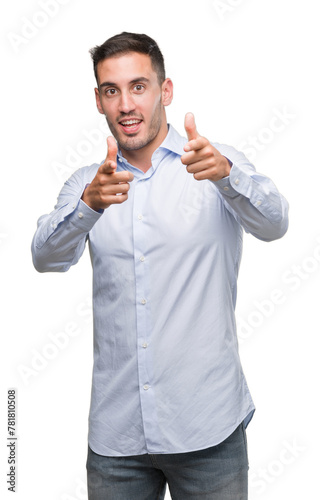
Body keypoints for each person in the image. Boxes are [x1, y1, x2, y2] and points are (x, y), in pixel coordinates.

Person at [31, 32, 289, 500]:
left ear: (165, 92)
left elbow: (275, 225)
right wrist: (88, 206)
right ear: (98, 100)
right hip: (117, 438)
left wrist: (229, 177)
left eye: (139, 86)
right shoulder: (87, 184)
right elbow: (45, 259)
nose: (126, 104)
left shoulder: (213, 165)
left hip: (209, 428)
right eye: (112, 90)